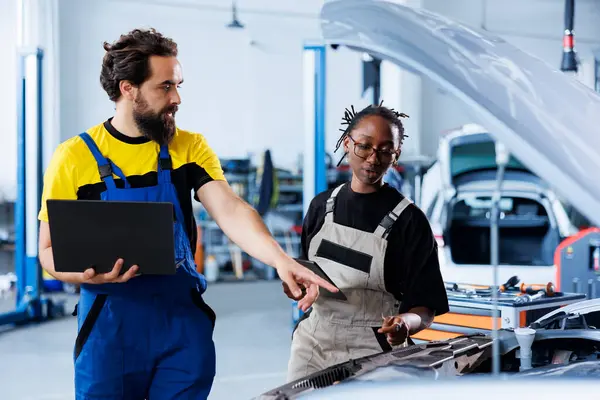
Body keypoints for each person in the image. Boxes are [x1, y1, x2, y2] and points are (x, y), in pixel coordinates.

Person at [37, 28, 336, 400]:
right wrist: (86, 275)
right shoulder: (73, 157)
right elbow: (48, 251)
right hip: (109, 329)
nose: (176, 98)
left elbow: (230, 209)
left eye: (178, 85)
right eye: (165, 87)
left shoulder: (188, 146)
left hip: (179, 325)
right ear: (128, 88)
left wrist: (280, 260)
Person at [285, 103, 449, 381]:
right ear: (347, 143)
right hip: (314, 341)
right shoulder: (321, 206)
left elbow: (425, 309)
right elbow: (306, 276)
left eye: (386, 150)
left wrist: (403, 325)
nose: (373, 159)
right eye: (364, 146)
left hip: (373, 345)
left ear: (395, 155)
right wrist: (298, 288)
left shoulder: (410, 221)